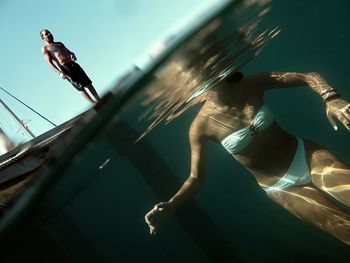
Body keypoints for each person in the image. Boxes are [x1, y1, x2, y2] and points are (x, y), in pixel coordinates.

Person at [145, 71, 350, 245]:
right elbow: (196, 178)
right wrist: (172, 204)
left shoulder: (252, 84)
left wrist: (331, 97)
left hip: (307, 155)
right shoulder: (200, 127)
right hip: (282, 187)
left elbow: (307, 77)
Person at [40, 29, 101, 105]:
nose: (49, 34)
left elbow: (70, 52)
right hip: (65, 69)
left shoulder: (59, 43)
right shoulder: (45, 48)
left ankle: (99, 100)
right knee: (80, 87)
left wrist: (72, 54)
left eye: (49, 32)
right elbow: (49, 63)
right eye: (46, 34)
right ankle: (94, 103)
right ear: (43, 38)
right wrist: (60, 73)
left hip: (73, 64)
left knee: (88, 83)